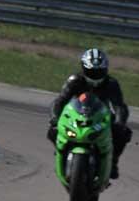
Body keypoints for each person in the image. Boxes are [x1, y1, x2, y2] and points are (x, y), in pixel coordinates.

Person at [47, 49, 131, 179]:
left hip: (100, 116)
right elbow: (59, 101)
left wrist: (120, 122)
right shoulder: (75, 80)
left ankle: (113, 161)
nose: (95, 76)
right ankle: (61, 152)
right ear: (83, 68)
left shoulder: (111, 84)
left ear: (106, 70)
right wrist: (54, 118)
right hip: (76, 114)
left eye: (99, 72)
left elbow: (119, 106)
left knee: (123, 133)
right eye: (91, 72)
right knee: (52, 130)